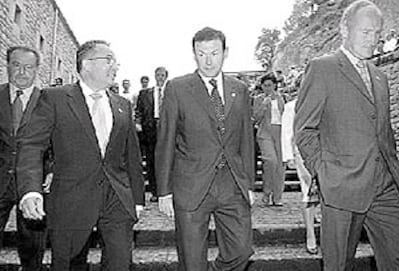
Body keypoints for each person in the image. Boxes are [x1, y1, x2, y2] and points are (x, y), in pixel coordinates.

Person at [294, 1, 399, 270]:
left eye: (376, 33)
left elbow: (384, 134)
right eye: (365, 32)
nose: (372, 40)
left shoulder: (380, 77)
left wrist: (398, 176)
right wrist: (324, 172)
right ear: (344, 29)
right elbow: (304, 131)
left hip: (384, 187)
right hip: (340, 187)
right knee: (339, 265)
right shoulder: (322, 68)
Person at [16, 40, 145, 271]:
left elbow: (132, 156)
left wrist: (137, 200)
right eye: (109, 60)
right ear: (86, 65)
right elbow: (32, 146)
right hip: (71, 200)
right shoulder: (55, 98)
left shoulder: (122, 105)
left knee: (120, 263)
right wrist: (30, 190)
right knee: (68, 265)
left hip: (116, 199)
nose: (115, 66)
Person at [155, 27, 255, 271]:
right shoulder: (177, 88)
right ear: (194, 54)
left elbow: (246, 140)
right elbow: (166, 141)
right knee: (192, 262)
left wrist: (249, 184)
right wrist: (164, 191)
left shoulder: (239, 89)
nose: (208, 60)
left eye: (214, 53)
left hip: (231, 184)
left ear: (225, 53)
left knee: (242, 251)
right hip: (191, 185)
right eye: (202, 54)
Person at [0, 46, 50, 271]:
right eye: (16, 65)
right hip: (1, 178)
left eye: (28, 67)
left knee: (32, 249)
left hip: (34, 184)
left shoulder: (49, 101)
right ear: (7, 65)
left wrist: (52, 168)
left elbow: (58, 141)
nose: (22, 72)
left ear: (37, 70)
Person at [281, 90, 319, 255]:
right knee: (308, 191)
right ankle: (310, 235)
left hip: (327, 153)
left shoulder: (322, 101)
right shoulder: (291, 107)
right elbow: (287, 133)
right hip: (302, 154)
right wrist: (288, 156)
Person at [135, 67, 168, 203]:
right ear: (154, 76)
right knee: (151, 160)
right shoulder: (145, 93)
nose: (160, 77)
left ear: (166, 76)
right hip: (150, 129)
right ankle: (154, 191)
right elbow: (139, 111)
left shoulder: (172, 92)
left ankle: (165, 191)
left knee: (166, 160)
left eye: (162, 75)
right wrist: (138, 123)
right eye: (158, 75)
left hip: (167, 129)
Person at [253, 73, 285, 206]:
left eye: (270, 85)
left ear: (275, 85)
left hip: (280, 133)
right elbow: (256, 118)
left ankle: (277, 196)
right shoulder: (258, 99)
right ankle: (267, 192)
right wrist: (264, 105)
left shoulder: (282, 98)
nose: (267, 88)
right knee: (270, 161)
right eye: (265, 85)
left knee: (279, 165)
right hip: (265, 132)